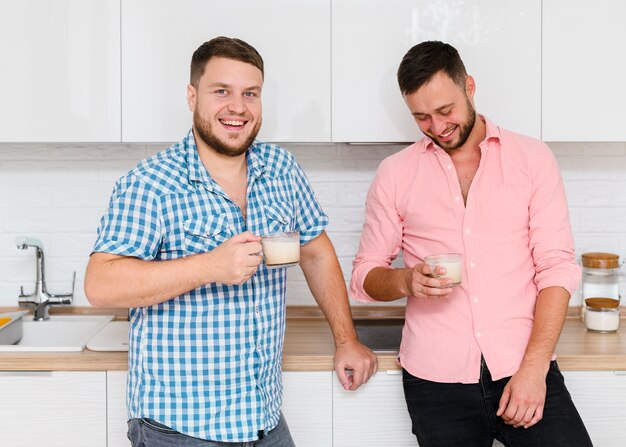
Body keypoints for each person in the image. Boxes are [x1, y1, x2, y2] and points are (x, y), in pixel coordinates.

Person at [85, 36, 377, 446]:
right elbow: (101, 284)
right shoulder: (150, 183)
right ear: (192, 96)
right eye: (221, 91)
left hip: (265, 420)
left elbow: (315, 251)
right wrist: (210, 266)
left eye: (250, 93)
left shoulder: (281, 169)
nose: (237, 107)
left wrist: (347, 340)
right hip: (180, 429)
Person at [349, 41, 592, 447]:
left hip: (523, 366)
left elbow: (556, 268)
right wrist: (406, 281)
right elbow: (364, 275)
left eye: (446, 111)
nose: (437, 126)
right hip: (435, 381)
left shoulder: (532, 159)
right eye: (422, 117)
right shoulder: (395, 174)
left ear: (470, 87)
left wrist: (534, 370)